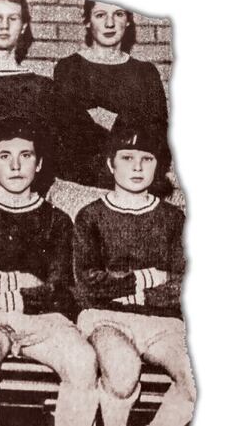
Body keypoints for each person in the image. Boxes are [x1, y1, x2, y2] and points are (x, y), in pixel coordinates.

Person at [0, 117, 97, 426]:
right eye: (5, 156)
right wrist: (24, 281)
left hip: (40, 319)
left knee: (83, 361)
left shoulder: (58, 222)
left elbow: (60, 290)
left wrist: (4, 296)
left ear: (39, 163)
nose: (16, 166)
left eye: (26, 156)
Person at [73, 127, 194, 426]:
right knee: (122, 372)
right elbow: (87, 283)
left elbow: (185, 284)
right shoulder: (90, 216)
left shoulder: (173, 218)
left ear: (160, 166)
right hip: (106, 317)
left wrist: (126, 287)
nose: (137, 167)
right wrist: (148, 279)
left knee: (197, 379)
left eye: (147, 159)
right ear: (110, 164)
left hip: (163, 321)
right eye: (127, 158)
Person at [0, 0, 98, 199]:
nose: (5, 26)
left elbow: (75, 142)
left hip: (35, 198)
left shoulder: (44, 88)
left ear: (24, 27)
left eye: (13, 19)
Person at [54, 0, 169, 160]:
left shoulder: (145, 72)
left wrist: (103, 118)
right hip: (84, 172)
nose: (110, 24)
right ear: (87, 21)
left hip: (135, 171)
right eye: (100, 15)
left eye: (119, 14)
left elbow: (157, 133)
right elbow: (72, 132)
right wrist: (130, 125)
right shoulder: (70, 67)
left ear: (128, 21)